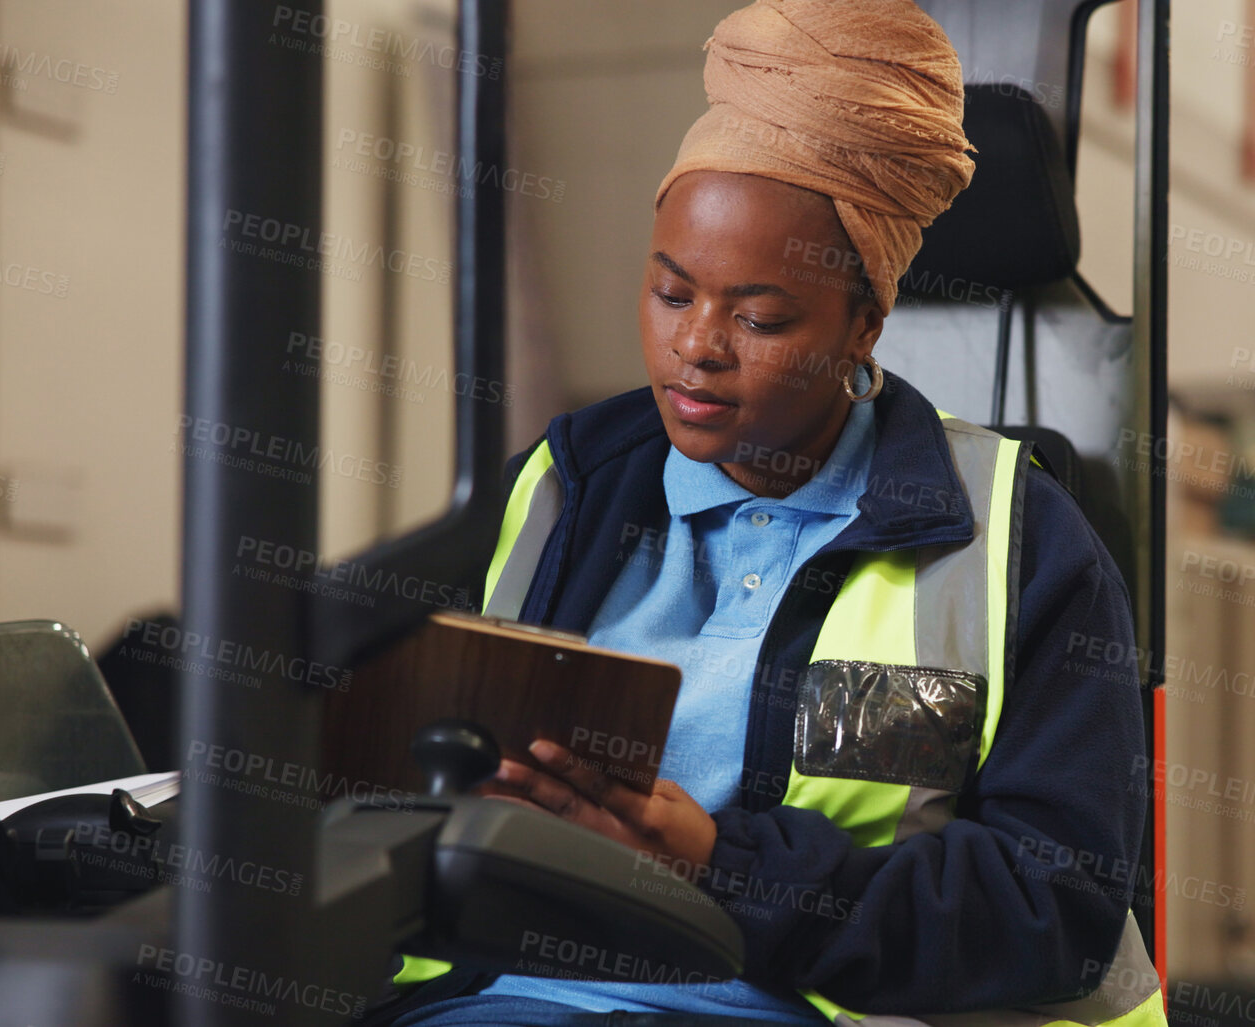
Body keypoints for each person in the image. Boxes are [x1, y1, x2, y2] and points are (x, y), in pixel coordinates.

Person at [384, 2, 1165, 1025]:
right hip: (516, 994)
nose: (697, 347)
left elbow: (1053, 910)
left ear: (864, 326)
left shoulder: (1020, 545)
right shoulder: (564, 486)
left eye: (758, 317)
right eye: (672, 295)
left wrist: (722, 863)